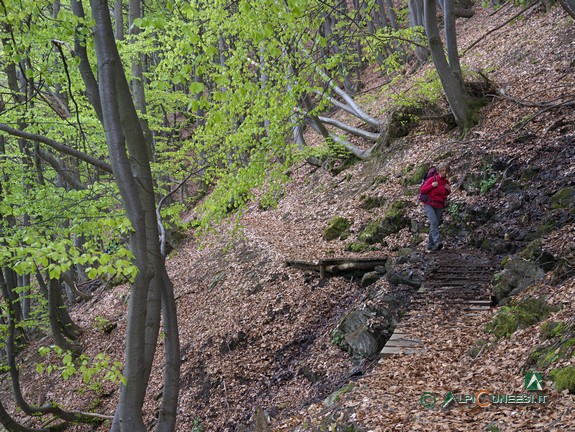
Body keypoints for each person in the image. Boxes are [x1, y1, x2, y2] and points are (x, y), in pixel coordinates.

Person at [420, 162, 451, 251]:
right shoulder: (432, 179)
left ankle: (430, 244)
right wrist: (432, 186)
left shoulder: (446, 182)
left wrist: (448, 190)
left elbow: (444, 194)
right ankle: (437, 242)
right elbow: (422, 190)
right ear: (438, 171)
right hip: (429, 204)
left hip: (439, 205)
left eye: (446, 170)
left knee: (435, 224)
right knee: (433, 222)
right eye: (442, 170)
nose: (444, 172)